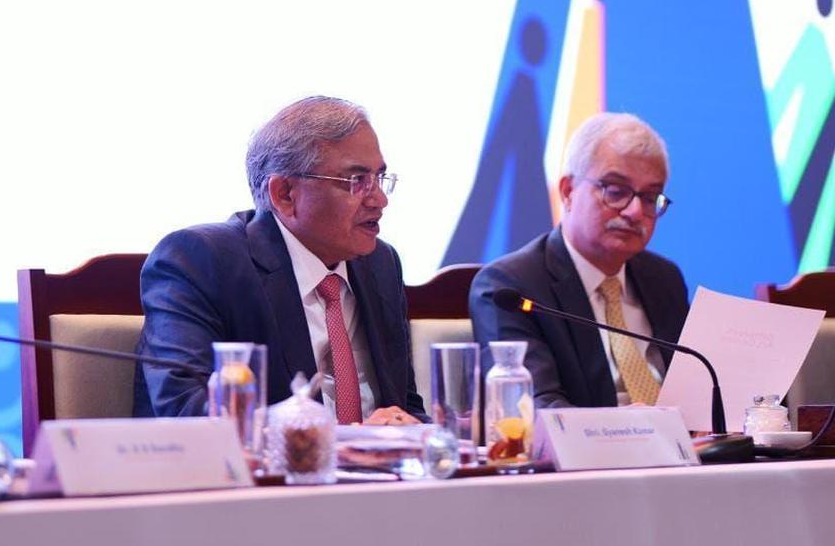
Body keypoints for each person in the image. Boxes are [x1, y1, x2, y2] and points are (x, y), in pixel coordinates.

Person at [134, 96, 425, 424]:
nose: (380, 200)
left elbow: (405, 405)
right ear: (285, 194)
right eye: (357, 182)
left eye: (379, 179)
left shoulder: (380, 265)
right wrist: (344, 439)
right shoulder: (200, 262)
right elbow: (190, 415)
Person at [470, 112, 689, 408]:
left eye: (650, 198)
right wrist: (632, 427)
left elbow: (699, 389)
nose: (635, 212)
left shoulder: (664, 279)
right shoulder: (511, 287)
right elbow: (535, 407)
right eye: (616, 191)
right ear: (568, 192)